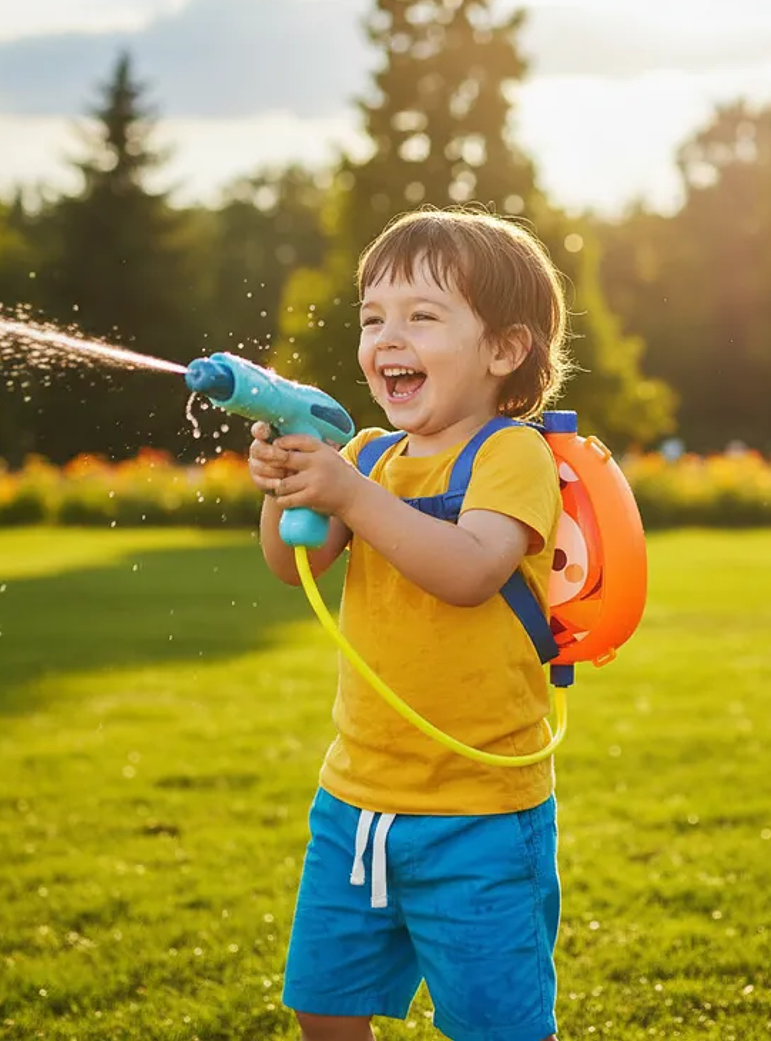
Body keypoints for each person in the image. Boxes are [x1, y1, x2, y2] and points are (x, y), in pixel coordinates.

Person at [248, 208, 571, 1041]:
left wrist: (352, 496)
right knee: (323, 1004)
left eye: (423, 316)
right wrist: (287, 484)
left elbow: (469, 570)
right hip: (355, 799)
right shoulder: (365, 457)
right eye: (373, 318)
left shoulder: (511, 456)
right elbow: (294, 568)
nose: (389, 337)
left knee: (495, 1024)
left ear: (504, 350)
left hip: (480, 815)